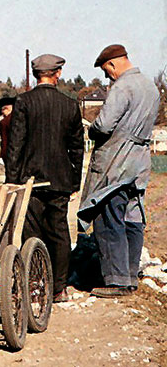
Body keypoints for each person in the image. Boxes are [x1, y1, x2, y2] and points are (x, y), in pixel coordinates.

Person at [78, 44, 159, 298]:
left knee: (108, 212)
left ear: (113, 64)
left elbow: (103, 125)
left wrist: (90, 129)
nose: (107, 77)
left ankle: (116, 281)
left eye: (106, 71)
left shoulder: (122, 87)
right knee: (133, 217)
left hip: (118, 160)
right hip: (141, 160)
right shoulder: (150, 87)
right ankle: (131, 276)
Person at [5, 53, 84, 303]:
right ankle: (59, 288)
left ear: (36, 74)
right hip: (60, 180)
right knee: (59, 232)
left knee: (32, 232)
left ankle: (36, 285)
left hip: (31, 180)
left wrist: (12, 180)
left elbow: (15, 146)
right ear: (57, 73)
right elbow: (77, 148)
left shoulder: (23, 102)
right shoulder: (70, 105)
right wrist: (74, 182)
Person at [0, 96, 16, 164]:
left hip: (11, 156)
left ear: (6, 109)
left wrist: (2, 156)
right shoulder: (24, 119)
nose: (3, 115)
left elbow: (5, 142)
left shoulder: (4, 123)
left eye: (2, 112)